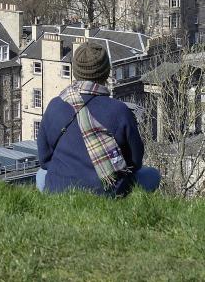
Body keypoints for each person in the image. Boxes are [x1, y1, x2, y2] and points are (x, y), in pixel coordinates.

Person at [36, 41, 161, 195]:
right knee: (153, 175)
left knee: (41, 175)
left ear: (75, 72)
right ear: (106, 72)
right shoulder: (119, 110)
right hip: (106, 191)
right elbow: (135, 162)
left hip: (59, 190)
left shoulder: (55, 104)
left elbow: (44, 159)